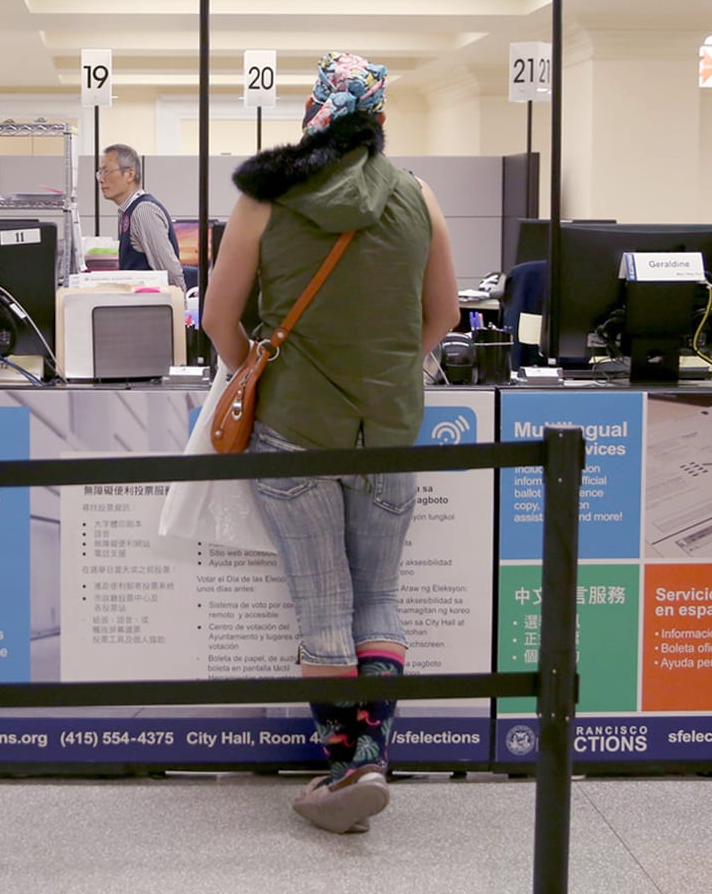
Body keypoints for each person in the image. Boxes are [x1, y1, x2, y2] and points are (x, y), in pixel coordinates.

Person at [202, 52, 456, 834]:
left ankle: (344, 766)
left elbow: (216, 318)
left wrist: (258, 366)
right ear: (379, 119)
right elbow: (444, 316)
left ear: (312, 113)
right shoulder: (419, 197)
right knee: (379, 595)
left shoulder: (264, 198)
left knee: (323, 603)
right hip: (388, 434)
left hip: (294, 433)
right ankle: (372, 755)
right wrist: (386, 371)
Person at [97, 143, 185, 291]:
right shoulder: (128, 211)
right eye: (100, 173)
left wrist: (180, 309)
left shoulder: (143, 211)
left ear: (130, 174)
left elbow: (169, 273)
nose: (101, 179)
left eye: (107, 172)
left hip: (154, 310)